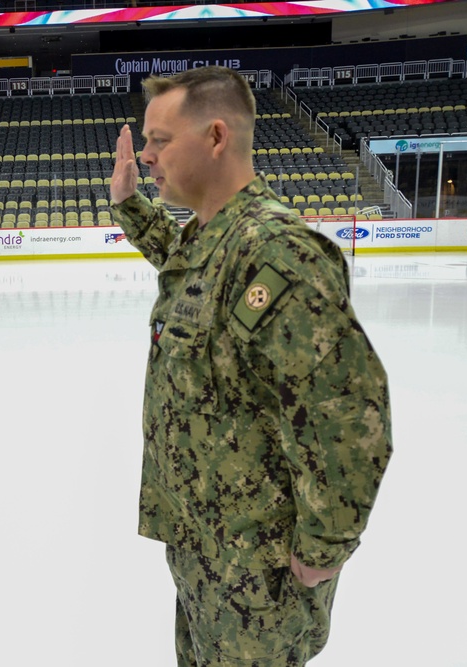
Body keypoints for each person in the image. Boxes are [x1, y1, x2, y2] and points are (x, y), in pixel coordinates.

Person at [109, 66, 392, 666]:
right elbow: (189, 270)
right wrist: (129, 205)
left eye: (160, 140)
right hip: (205, 551)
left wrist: (324, 549)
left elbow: (347, 416)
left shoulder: (277, 251)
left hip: (256, 578)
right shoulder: (215, 236)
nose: (149, 156)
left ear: (216, 137)